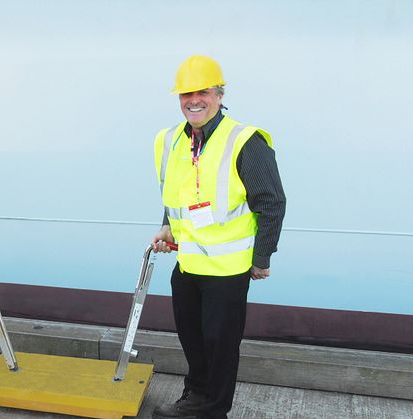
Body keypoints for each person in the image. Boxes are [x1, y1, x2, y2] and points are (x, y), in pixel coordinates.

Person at [150, 56, 286, 419]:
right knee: (192, 340)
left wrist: (261, 258)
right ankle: (195, 396)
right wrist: (167, 226)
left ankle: (211, 410)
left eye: (203, 92)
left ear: (219, 94)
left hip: (227, 271)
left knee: (220, 345)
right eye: (186, 94)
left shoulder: (245, 141)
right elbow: (177, 197)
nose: (194, 100)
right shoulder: (169, 141)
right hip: (188, 264)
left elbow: (272, 202)